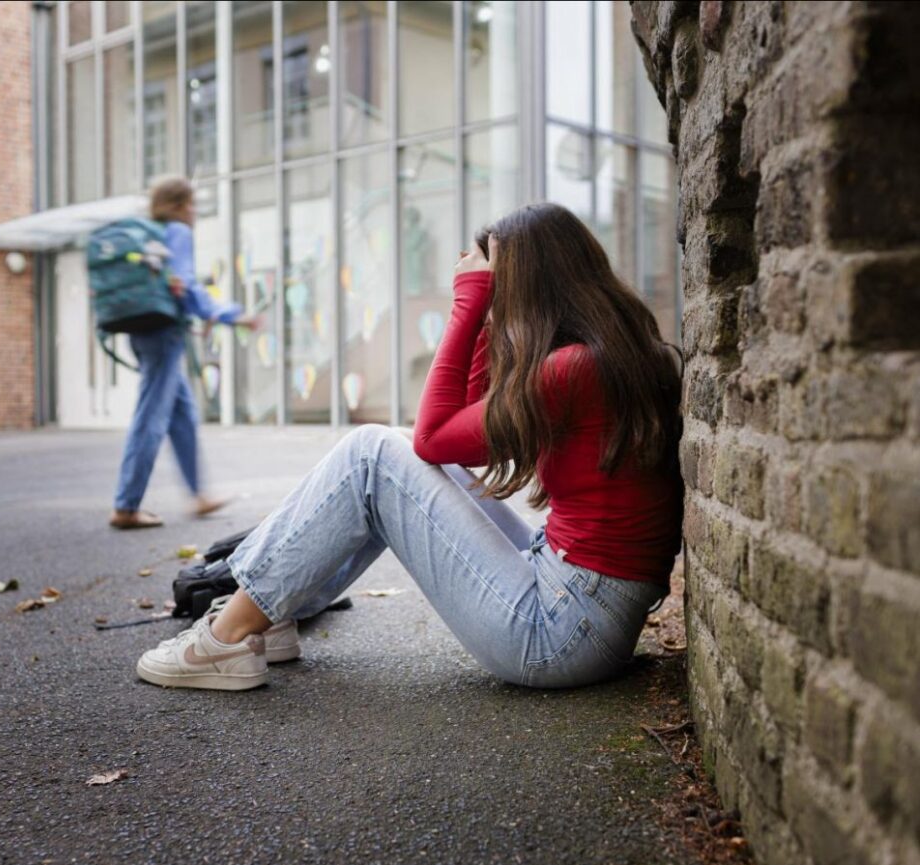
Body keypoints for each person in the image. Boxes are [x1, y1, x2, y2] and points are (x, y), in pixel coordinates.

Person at [135, 202, 683, 690]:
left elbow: (434, 434)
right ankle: (273, 613)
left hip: (558, 632)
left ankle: (226, 639)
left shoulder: (570, 369)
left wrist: (469, 307)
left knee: (374, 454)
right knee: (392, 451)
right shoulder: (608, 353)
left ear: (526, 285)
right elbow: (458, 449)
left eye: (498, 282)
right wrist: (490, 322)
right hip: (583, 610)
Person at [109, 176, 260, 530]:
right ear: (178, 206)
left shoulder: (150, 232)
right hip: (163, 334)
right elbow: (186, 284)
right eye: (191, 204)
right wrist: (229, 315)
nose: (194, 212)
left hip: (145, 330)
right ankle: (126, 505)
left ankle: (198, 495)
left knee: (182, 415)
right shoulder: (176, 232)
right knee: (151, 417)